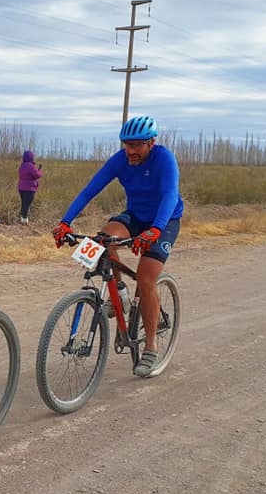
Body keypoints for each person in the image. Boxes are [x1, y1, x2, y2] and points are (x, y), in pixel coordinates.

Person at [52, 114, 184, 377]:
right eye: (126, 144)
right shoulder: (120, 160)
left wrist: (155, 230)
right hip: (135, 216)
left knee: (146, 279)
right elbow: (90, 190)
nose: (130, 151)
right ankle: (119, 291)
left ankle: (150, 348)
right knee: (101, 241)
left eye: (136, 145)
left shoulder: (164, 158)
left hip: (164, 220)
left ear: (151, 142)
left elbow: (170, 194)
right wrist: (65, 222)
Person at [17, 150, 43, 224]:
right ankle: (24, 220)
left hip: (21, 188)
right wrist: (40, 170)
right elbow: (37, 175)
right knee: (27, 204)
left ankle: (22, 219)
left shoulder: (22, 165)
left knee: (24, 203)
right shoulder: (30, 166)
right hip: (29, 188)